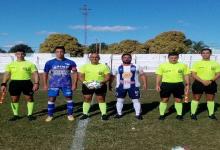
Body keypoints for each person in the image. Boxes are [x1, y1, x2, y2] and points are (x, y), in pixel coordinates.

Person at [0, 48, 40, 121]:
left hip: (27, 83)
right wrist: (3, 84)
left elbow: (35, 74)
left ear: (24, 54)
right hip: (14, 83)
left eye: (22, 54)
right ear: (16, 55)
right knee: (14, 99)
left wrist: (36, 83)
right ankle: (16, 115)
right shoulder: (11, 64)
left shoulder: (30, 64)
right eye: (18, 54)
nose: (20, 55)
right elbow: (7, 74)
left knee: (29, 98)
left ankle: (30, 114)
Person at [43, 46, 78, 122]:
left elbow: (75, 73)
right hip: (53, 84)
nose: (59, 53)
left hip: (67, 84)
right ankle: (50, 115)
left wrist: (75, 84)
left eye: (61, 51)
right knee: (51, 99)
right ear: (55, 53)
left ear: (64, 52)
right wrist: (45, 84)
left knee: (69, 98)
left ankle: (70, 114)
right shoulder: (49, 63)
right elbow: (45, 73)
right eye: (57, 52)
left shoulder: (71, 62)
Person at [110, 53, 147, 120]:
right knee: (119, 100)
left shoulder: (136, 66)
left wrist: (145, 84)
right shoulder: (117, 66)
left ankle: (138, 114)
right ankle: (119, 114)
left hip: (134, 86)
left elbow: (143, 75)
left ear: (131, 58)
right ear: (122, 59)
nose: (126, 59)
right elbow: (112, 76)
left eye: (128, 57)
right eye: (124, 57)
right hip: (120, 87)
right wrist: (110, 84)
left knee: (136, 100)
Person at [155, 52, 190, 120]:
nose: (173, 59)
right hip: (166, 84)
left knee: (178, 100)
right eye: (172, 58)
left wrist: (187, 85)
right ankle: (162, 115)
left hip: (179, 84)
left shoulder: (183, 65)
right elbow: (159, 75)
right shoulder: (162, 65)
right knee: (164, 99)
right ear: (168, 58)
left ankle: (179, 115)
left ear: (178, 58)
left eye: (175, 58)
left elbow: (186, 75)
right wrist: (157, 85)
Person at [79, 53, 110, 120]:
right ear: (90, 58)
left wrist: (102, 82)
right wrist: (85, 83)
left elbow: (107, 77)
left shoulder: (104, 66)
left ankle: (104, 114)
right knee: (87, 98)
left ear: (99, 58)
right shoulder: (84, 66)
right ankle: (85, 113)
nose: (94, 58)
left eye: (96, 57)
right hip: (87, 85)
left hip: (101, 85)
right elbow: (81, 76)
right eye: (92, 57)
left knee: (101, 98)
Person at [190, 48, 220, 120]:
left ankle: (211, 114)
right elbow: (193, 74)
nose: (205, 54)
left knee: (210, 99)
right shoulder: (197, 63)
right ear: (201, 54)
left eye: (207, 53)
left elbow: (218, 74)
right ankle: (193, 114)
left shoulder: (215, 63)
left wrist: (211, 80)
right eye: (203, 53)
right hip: (198, 83)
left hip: (211, 83)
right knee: (196, 98)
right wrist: (202, 81)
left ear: (210, 54)